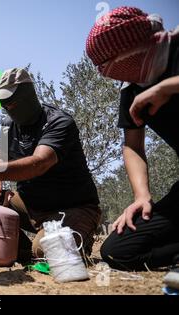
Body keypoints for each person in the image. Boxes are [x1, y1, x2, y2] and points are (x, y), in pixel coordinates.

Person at [0, 68, 101, 264]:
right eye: (3, 103)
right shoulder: (6, 127)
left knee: (44, 249)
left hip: (72, 207)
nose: (6, 107)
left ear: (28, 95)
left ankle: (73, 239)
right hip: (32, 207)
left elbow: (39, 163)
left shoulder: (58, 122)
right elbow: (2, 163)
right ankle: (20, 250)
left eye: (10, 101)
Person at [86, 6, 179, 271]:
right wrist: (142, 195)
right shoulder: (131, 90)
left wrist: (167, 87)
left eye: (107, 63)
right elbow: (133, 145)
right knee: (117, 251)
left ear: (132, 50)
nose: (105, 72)